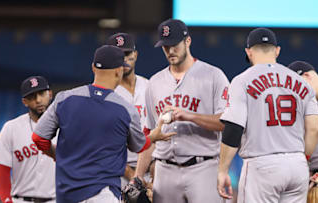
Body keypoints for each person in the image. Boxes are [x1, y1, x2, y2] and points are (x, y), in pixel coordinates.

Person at [32, 45, 175, 203]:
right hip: (103, 193)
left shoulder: (64, 99)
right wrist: (153, 136)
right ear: (119, 71)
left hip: (67, 193)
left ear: (93, 68)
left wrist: (56, 155)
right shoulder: (125, 109)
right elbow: (139, 146)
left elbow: (38, 138)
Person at [217, 28, 318, 203]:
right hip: (297, 164)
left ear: (248, 52)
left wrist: (222, 170)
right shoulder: (301, 82)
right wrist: (304, 159)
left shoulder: (242, 80)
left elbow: (233, 129)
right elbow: (314, 129)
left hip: (262, 165)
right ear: (277, 50)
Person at [134, 19, 230, 203]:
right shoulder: (154, 83)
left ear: (188, 41)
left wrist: (189, 116)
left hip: (203, 167)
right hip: (165, 169)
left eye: (174, 45)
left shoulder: (213, 75)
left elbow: (225, 123)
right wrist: (138, 175)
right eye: (165, 46)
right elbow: (150, 133)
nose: (170, 51)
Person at [0, 76, 56, 203]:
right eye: (32, 97)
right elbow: (2, 169)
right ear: (24, 101)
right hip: (21, 199)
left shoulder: (65, 127)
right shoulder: (11, 128)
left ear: (50, 94)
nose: (38, 100)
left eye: (41, 94)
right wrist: (7, 200)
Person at [106, 33, 151, 187]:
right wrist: (134, 176)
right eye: (118, 55)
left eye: (127, 54)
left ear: (135, 55)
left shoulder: (150, 87)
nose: (123, 59)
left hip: (151, 171)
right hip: (118, 174)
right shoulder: (106, 93)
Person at [288, 61, 318, 176]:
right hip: (313, 172)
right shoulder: (312, 105)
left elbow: (315, 130)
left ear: (307, 76)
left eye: (299, 86)